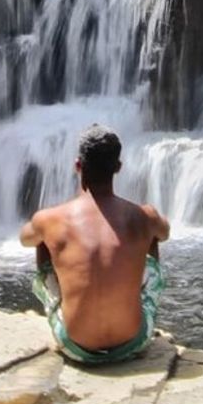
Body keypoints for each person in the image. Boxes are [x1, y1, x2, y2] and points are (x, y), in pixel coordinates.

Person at [20, 124, 170, 365]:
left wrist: (46, 229)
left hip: (74, 345)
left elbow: (25, 239)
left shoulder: (50, 218)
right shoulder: (144, 215)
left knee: (43, 242)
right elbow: (164, 233)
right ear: (118, 168)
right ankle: (130, 306)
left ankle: (64, 305)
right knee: (150, 237)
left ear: (78, 165)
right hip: (134, 340)